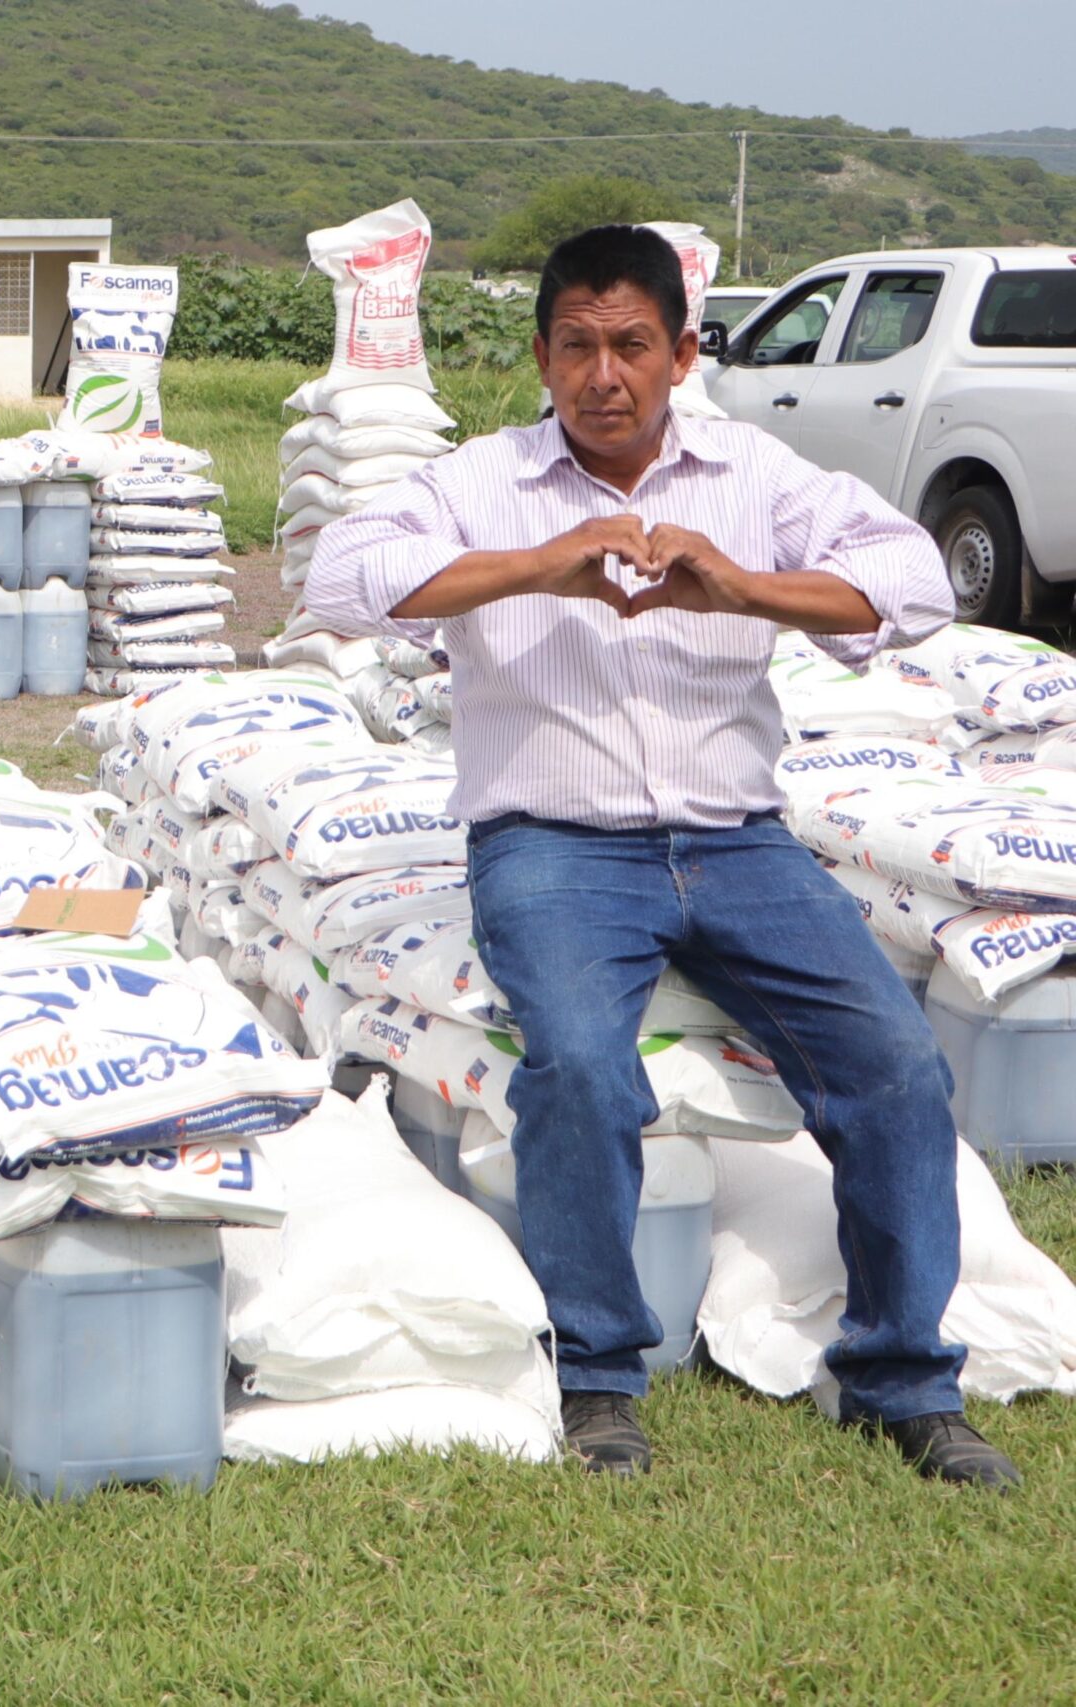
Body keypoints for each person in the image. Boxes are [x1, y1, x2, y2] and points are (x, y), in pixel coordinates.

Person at [305, 224, 1020, 1490]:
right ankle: (598, 1378)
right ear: (539, 355)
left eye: (632, 344)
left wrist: (743, 588)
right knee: (579, 1067)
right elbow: (342, 577)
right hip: (551, 844)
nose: (603, 375)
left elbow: (912, 581)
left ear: (683, 353)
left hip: (739, 844)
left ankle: (903, 1379)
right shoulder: (481, 481)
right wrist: (544, 569)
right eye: (575, 346)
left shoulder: (751, 474)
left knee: (899, 1065)